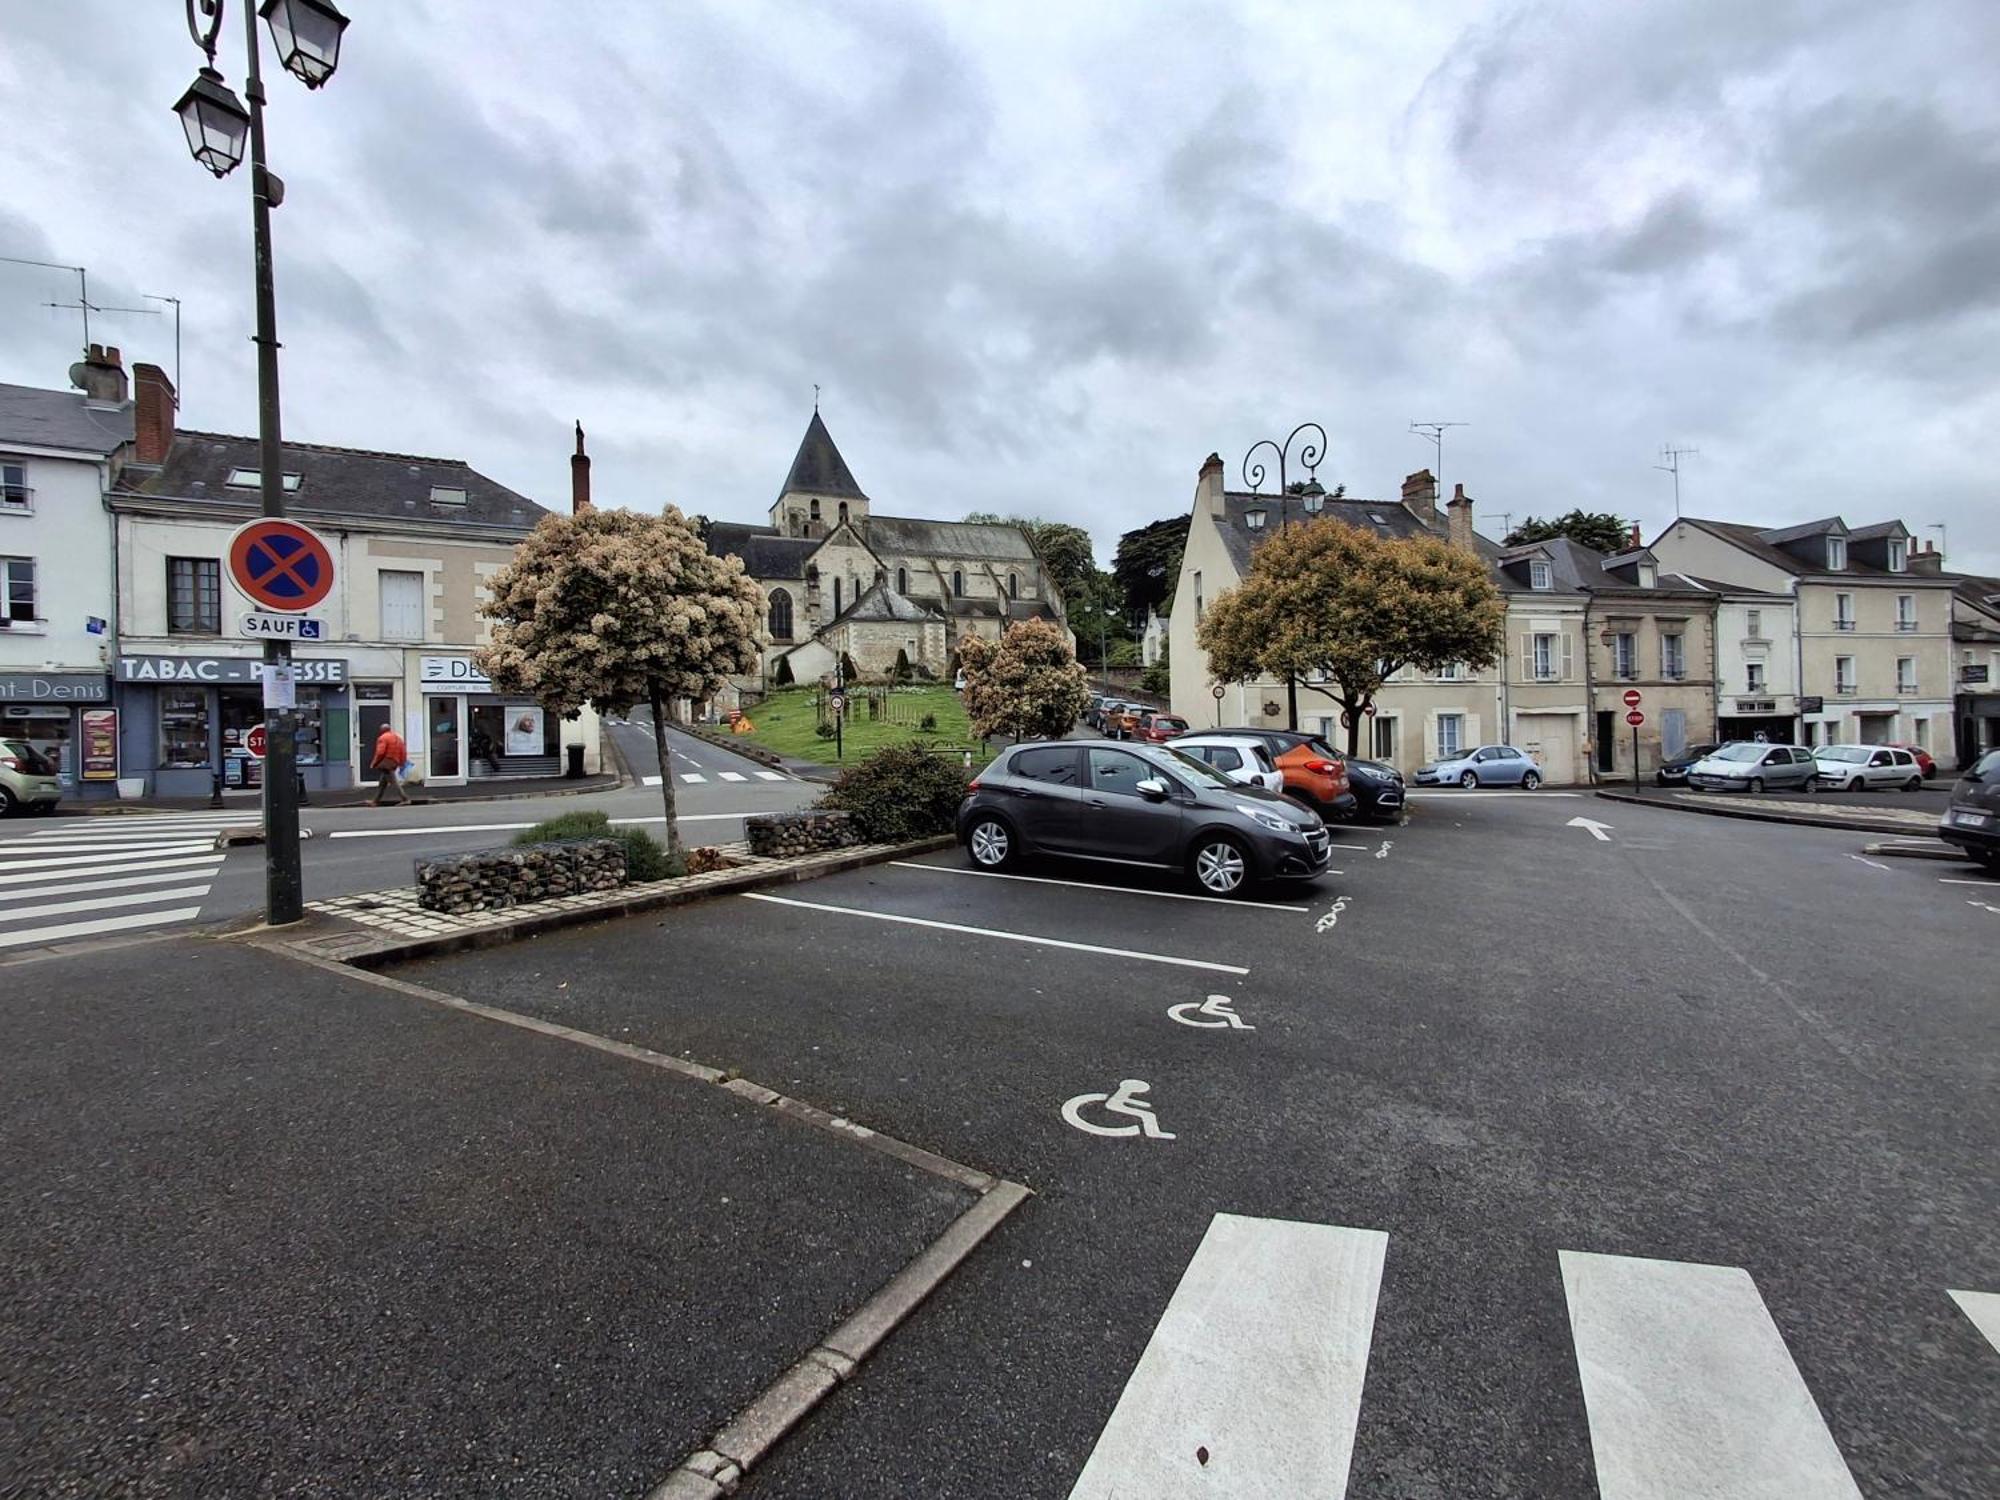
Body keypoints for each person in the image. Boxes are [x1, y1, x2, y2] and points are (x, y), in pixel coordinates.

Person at [369, 722, 408, 806]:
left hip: (386, 763)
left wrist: (374, 763)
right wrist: (402, 762)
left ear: (382, 730)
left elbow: (380, 752)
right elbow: (403, 751)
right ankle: (375, 801)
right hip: (394, 762)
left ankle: (405, 799)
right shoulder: (398, 738)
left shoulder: (382, 738)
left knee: (393, 782)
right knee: (382, 783)